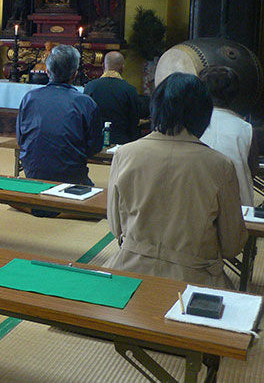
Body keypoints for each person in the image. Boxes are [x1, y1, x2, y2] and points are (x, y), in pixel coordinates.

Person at [105, 73, 247, 288]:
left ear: (156, 108)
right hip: (193, 280)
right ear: (203, 115)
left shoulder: (125, 153)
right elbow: (231, 244)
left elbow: (116, 228)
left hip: (128, 272)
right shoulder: (219, 165)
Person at [17, 44, 102, 187]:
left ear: (48, 72)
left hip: (33, 170)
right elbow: (94, 146)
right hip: (71, 174)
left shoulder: (30, 98)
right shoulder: (85, 102)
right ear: (75, 74)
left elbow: (21, 138)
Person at [199, 66, 256, 207]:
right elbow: (253, 169)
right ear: (235, 94)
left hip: (199, 207)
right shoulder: (245, 128)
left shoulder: (194, 124)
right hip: (238, 207)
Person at [83, 51, 140, 145]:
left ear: (103, 66)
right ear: (122, 68)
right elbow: (134, 121)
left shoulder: (90, 87)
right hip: (122, 143)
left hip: (95, 143)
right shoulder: (129, 90)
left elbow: (85, 118)